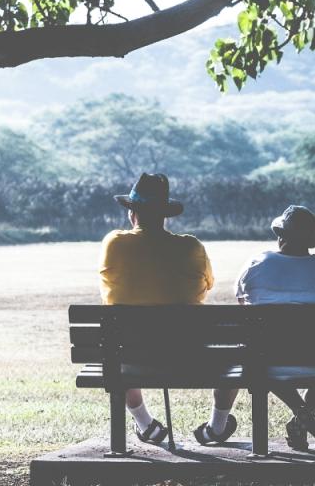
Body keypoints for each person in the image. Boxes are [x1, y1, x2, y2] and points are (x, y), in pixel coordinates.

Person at [193, 205, 315, 450]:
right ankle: (303, 415)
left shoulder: (257, 264)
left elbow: (243, 306)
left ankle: (301, 412)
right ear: (311, 240)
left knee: (256, 350)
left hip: (264, 359)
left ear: (280, 236)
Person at [99, 173, 214, 445]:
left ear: (132, 214)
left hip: (130, 353)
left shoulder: (114, 244)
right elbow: (208, 284)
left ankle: (145, 424)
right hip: (187, 353)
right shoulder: (191, 247)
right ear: (165, 215)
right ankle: (218, 426)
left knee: (117, 351)